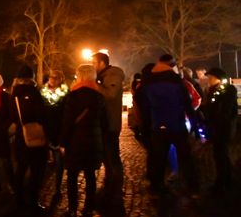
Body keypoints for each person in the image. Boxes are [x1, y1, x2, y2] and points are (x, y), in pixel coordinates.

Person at [138, 54, 199, 194]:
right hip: (177, 124)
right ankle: (193, 187)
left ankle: (156, 187)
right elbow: (187, 105)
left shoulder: (147, 84)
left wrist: (146, 128)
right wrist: (194, 124)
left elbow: (144, 109)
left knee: (159, 158)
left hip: (157, 126)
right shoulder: (177, 83)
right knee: (185, 157)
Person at [61, 65, 107, 217]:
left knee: (72, 177)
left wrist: (63, 142)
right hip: (93, 141)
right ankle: (88, 208)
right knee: (90, 176)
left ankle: (72, 208)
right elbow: (104, 122)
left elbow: (67, 122)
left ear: (79, 76)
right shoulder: (99, 96)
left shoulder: (73, 96)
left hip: (75, 142)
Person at [10, 65, 48, 212]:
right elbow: (41, 115)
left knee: (20, 168)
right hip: (35, 135)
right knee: (36, 170)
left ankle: (18, 199)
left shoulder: (13, 94)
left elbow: (12, 116)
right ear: (31, 78)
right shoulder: (34, 92)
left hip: (21, 135)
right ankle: (33, 201)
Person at [91, 52, 125, 196]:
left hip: (110, 123)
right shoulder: (103, 77)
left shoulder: (112, 75)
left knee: (112, 155)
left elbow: (110, 94)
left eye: (93, 63)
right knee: (107, 155)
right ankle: (110, 183)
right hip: (105, 122)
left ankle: (115, 186)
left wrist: (92, 84)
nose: (92, 66)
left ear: (101, 63)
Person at [203, 67, 237, 192]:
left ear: (217, 78)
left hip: (223, 129)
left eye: (210, 78)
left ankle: (224, 181)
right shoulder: (212, 90)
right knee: (219, 155)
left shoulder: (228, 90)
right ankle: (224, 180)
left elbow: (225, 111)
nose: (208, 80)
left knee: (222, 154)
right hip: (216, 128)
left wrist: (216, 121)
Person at [40, 69, 69, 199]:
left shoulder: (66, 94)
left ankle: (57, 188)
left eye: (57, 77)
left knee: (59, 161)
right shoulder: (42, 92)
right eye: (52, 77)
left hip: (59, 130)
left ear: (61, 79)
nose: (53, 79)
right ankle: (41, 188)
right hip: (45, 129)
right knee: (43, 162)